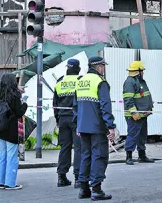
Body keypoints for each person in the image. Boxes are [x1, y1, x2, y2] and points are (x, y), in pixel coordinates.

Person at [73, 56, 117, 201]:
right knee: (99, 156)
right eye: (103, 66)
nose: (104, 68)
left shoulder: (80, 81)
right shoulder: (100, 82)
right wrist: (110, 126)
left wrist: (77, 124)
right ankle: (96, 189)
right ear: (98, 67)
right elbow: (105, 106)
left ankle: (84, 189)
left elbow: (75, 106)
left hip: (83, 126)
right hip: (97, 126)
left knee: (86, 155)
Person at [0, 73, 28, 190]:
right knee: (12, 156)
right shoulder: (14, 96)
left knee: (2, 156)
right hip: (11, 129)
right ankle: (10, 183)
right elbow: (19, 112)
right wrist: (24, 103)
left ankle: (1, 180)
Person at [53, 58, 83, 188]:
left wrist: (57, 119)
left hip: (63, 118)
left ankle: (61, 177)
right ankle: (78, 178)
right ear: (78, 68)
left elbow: (55, 103)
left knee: (64, 148)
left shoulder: (60, 81)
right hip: (76, 119)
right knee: (78, 148)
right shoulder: (80, 80)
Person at [123, 60, 155, 165]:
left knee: (142, 136)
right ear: (138, 71)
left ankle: (142, 155)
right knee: (132, 135)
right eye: (142, 71)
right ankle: (129, 156)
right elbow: (128, 99)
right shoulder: (130, 82)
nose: (143, 73)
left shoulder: (140, 81)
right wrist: (134, 112)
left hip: (142, 114)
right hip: (134, 116)